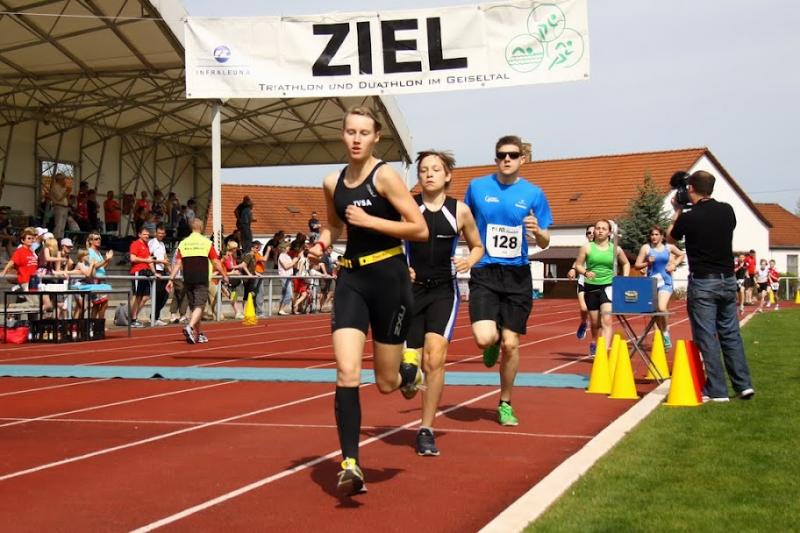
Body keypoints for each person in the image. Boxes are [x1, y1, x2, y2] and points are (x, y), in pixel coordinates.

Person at [306, 105, 428, 496]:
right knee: (347, 371)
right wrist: (321, 245)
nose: (356, 139)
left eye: (364, 133)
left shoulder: (385, 176)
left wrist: (371, 221)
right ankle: (351, 464)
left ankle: (409, 374)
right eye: (350, 132)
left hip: (389, 280)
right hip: (351, 279)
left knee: (387, 383)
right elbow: (333, 224)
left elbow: (419, 228)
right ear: (342, 135)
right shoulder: (332, 182)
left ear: (376, 138)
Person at [463, 135, 552, 427]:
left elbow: (545, 241)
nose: (507, 159)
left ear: (522, 159)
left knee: (511, 345)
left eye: (513, 155)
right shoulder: (477, 187)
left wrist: (537, 231)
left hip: (517, 275)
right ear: (495, 158)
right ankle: (493, 338)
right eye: (502, 155)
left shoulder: (534, 193)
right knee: (484, 338)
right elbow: (463, 222)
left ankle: (505, 403)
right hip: (485, 271)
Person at [405, 150, 483, 456]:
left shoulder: (460, 211)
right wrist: (400, 266)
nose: (429, 174)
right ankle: (409, 377)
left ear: (447, 175)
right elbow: (389, 242)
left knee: (435, 359)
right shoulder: (407, 207)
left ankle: (426, 429)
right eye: (424, 169)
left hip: (443, 292)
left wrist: (468, 261)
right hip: (410, 292)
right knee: (408, 374)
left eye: (435, 169)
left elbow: (477, 246)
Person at [668, 170, 754, 402]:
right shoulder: (727, 211)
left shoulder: (689, 217)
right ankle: (743, 385)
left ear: (691, 189)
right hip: (728, 280)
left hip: (703, 281)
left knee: (706, 336)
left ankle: (717, 389)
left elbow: (671, 238)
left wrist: (677, 210)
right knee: (730, 333)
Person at [574, 219, 630, 357]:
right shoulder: (587, 247)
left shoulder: (615, 249)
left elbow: (626, 263)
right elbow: (578, 265)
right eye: (598, 228)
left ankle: (603, 354)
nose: (600, 231)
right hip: (591, 288)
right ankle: (594, 341)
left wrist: (624, 279)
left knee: (607, 320)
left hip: (608, 286)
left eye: (603, 229)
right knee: (595, 323)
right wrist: (585, 272)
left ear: (609, 232)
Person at [167, 218, 228, 344]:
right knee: (200, 305)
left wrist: (171, 279)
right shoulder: (206, 243)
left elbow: (177, 264)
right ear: (201, 227)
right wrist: (224, 274)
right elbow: (216, 262)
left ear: (191, 228)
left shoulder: (183, 243)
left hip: (188, 278)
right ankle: (190, 327)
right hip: (201, 277)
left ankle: (198, 334)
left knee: (195, 308)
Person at [633, 226, 685, 348]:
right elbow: (637, 265)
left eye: (656, 234)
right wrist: (647, 263)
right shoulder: (646, 248)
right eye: (652, 235)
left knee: (661, 308)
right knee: (655, 312)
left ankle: (665, 332)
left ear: (662, 236)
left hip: (665, 281)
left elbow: (681, 255)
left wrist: (674, 265)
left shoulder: (668, 247)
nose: (654, 237)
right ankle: (660, 333)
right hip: (651, 283)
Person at [567, 225, 595, 341]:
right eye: (589, 233)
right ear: (586, 235)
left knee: (595, 317)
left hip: (597, 283)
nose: (591, 234)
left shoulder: (602, 248)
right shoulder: (584, 248)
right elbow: (578, 261)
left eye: (593, 232)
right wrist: (573, 269)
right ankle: (584, 322)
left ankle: (595, 342)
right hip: (583, 281)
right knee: (584, 309)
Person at [129, 227, 156, 327]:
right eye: (144, 234)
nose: (147, 236)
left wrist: (154, 272)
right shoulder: (135, 244)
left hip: (146, 273)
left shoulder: (146, 245)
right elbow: (132, 258)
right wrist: (146, 261)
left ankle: (133, 317)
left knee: (146, 297)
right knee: (137, 296)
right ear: (139, 234)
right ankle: (133, 319)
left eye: (148, 235)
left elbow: (150, 261)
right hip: (138, 271)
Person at [86, 232, 114, 319]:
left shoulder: (97, 252)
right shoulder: (90, 251)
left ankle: (97, 324)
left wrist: (108, 260)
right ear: (90, 241)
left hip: (101, 279)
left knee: (101, 304)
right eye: (96, 239)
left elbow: (102, 266)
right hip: (96, 280)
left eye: (99, 239)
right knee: (99, 304)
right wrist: (106, 259)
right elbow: (94, 266)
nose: (98, 240)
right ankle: (96, 323)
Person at [149, 223, 171, 325]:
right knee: (157, 295)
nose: (161, 235)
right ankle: (154, 317)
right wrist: (161, 262)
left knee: (165, 295)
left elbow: (165, 258)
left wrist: (170, 271)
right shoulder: (152, 243)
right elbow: (149, 257)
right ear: (155, 233)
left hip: (163, 271)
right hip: (156, 271)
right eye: (159, 233)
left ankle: (155, 316)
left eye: (162, 233)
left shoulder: (162, 244)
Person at [276, 241, 297, 316]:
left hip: (289, 277)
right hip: (284, 276)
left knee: (284, 294)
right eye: (288, 246)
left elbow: (291, 266)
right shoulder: (281, 256)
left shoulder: (287, 256)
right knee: (289, 294)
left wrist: (294, 262)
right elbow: (286, 267)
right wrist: (294, 261)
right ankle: (281, 309)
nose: (289, 247)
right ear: (284, 248)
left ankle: (280, 310)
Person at [50, 173, 70, 239]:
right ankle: (56, 239)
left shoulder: (63, 188)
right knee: (58, 225)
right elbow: (59, 198)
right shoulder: (55, 187)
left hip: (65, 207)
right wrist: (66, 192)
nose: (64, 181)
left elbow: (66, 198)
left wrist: (67, 193)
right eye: (63, 179)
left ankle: (60, 239)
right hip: (59, 207)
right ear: (59, 180)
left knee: (63, 226)